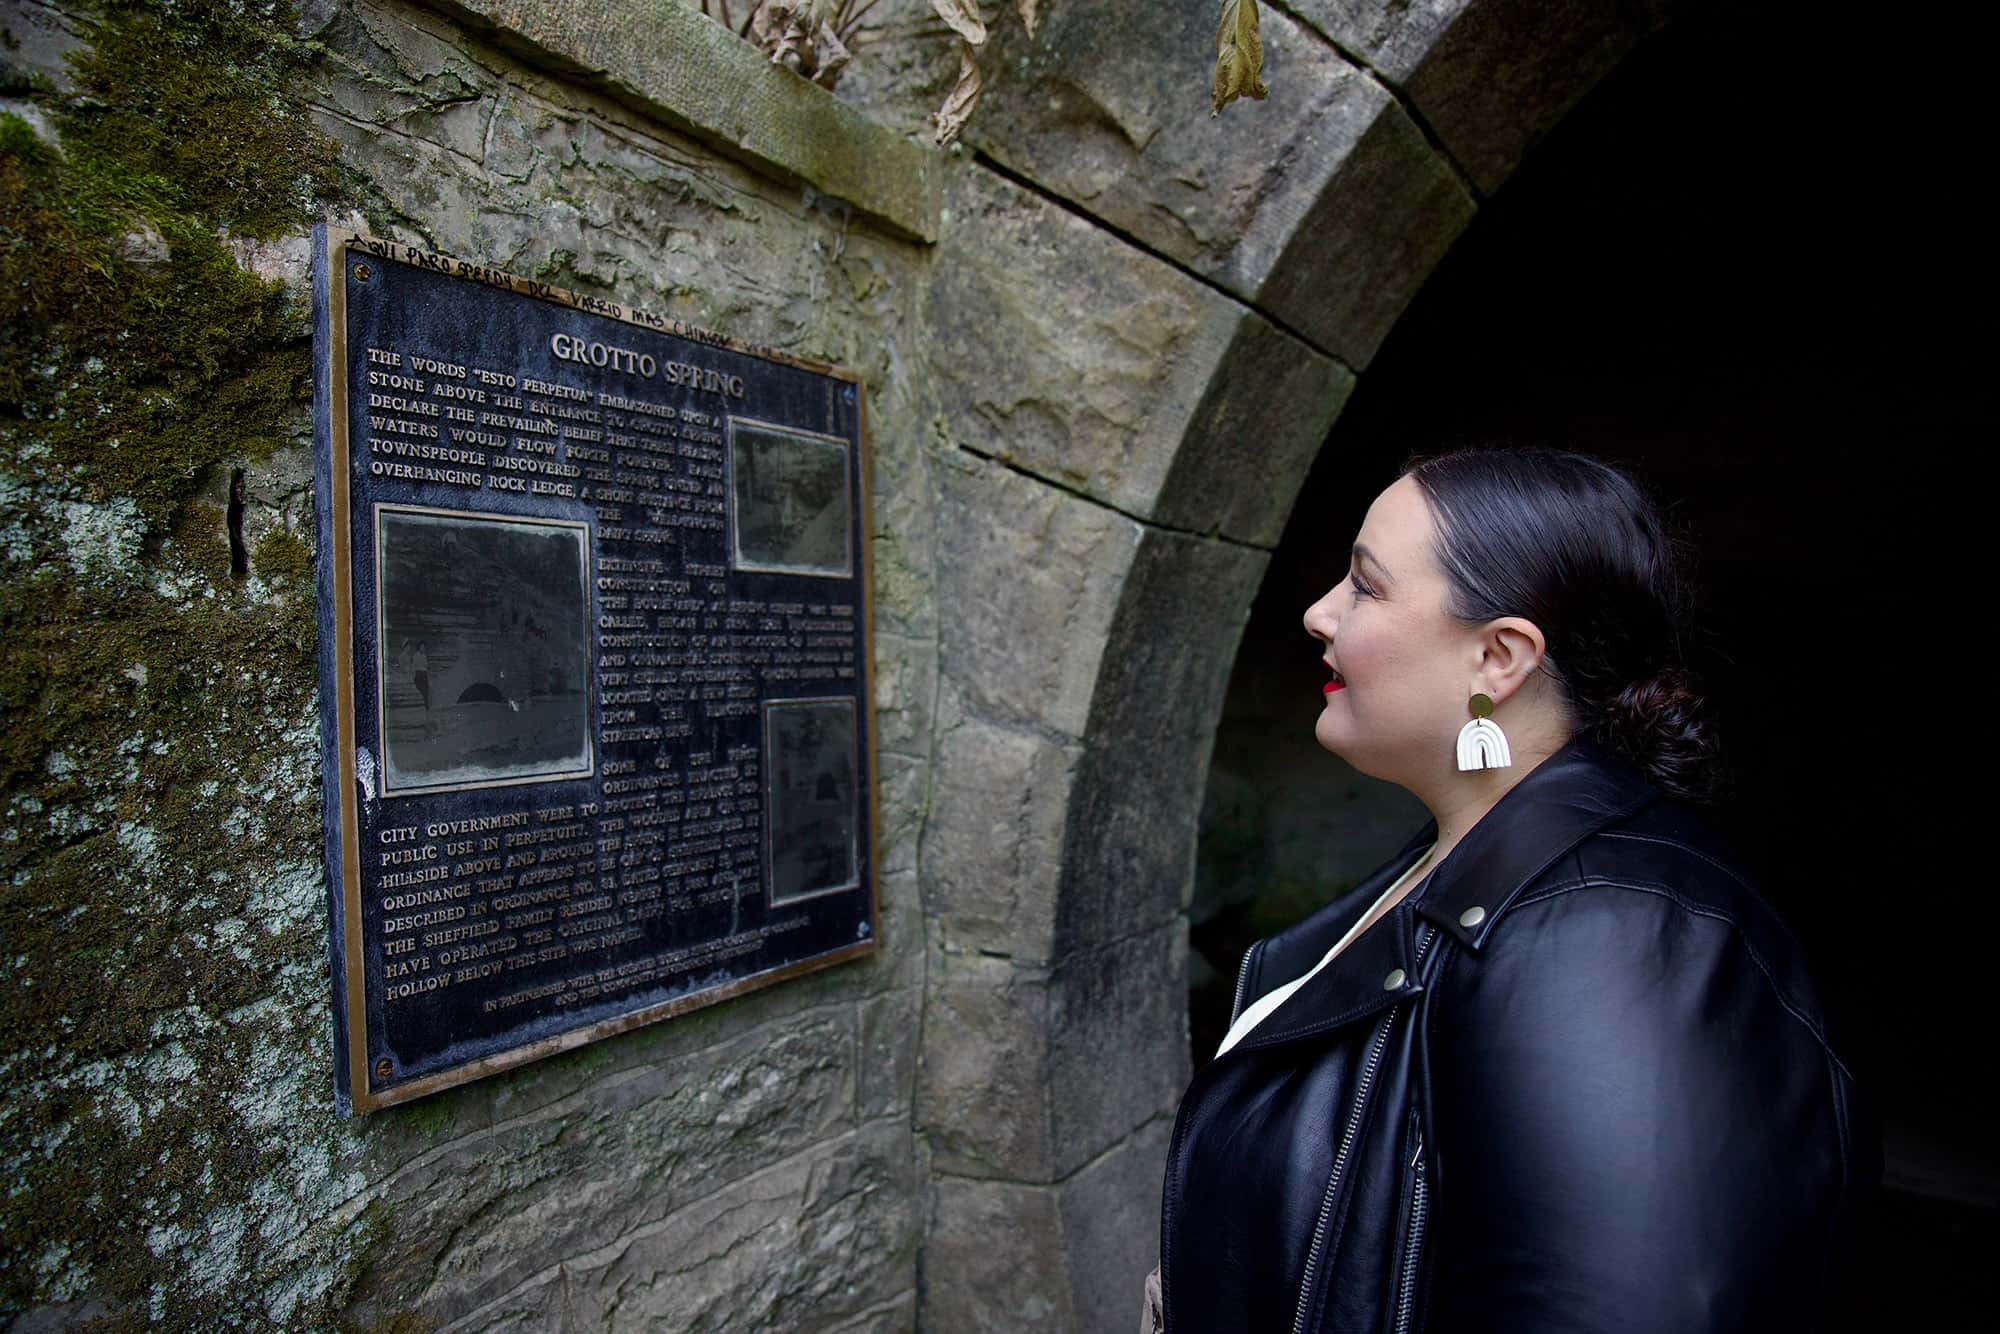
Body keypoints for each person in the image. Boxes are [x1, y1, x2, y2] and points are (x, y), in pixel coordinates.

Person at [1150, 449, 1874, 1333]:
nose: (1318, 613)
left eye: (1365, 586)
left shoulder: (1608, 935)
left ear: (1499, 657)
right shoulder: (1459, 861)